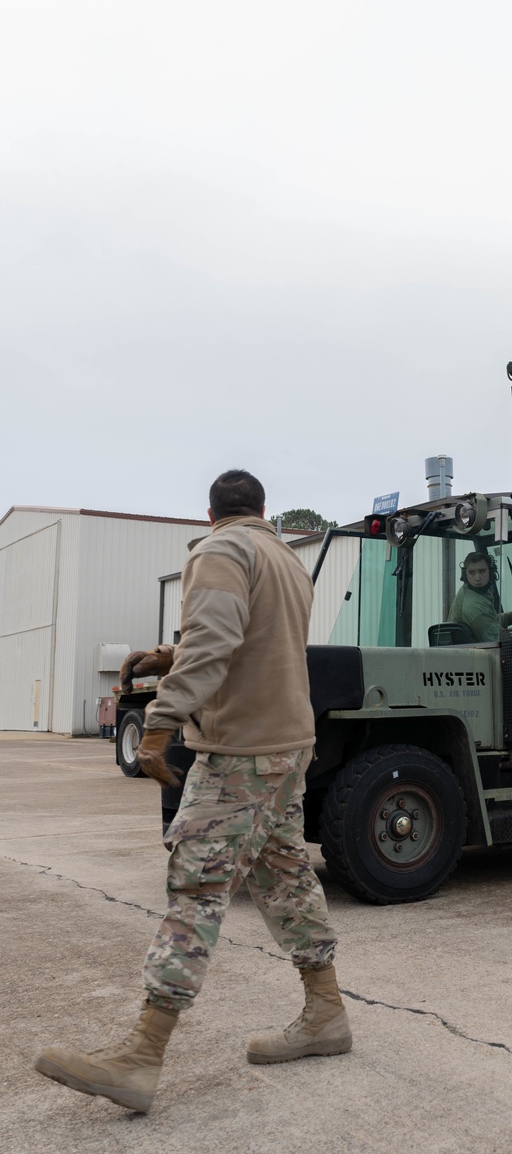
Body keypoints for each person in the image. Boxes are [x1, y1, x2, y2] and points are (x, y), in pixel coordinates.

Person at [34, 470, 350, 1114]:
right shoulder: (286, 559)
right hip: (289, 746)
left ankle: (141, 1056)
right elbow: (250, 644)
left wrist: (160, 721)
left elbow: (215, 639)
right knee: (285, 874)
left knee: (198, 887)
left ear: (209, 516)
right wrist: (167, 655)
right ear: (262, 510)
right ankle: (327, 1013)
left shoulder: (220, 551)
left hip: (240, 754)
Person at [448, 550, 502, 640]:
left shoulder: (470, 592)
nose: (477, 578)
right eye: (472, 572)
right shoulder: (474, 605)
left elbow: (488, 618)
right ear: (465, 575)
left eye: (482, 571)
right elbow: (497, 640)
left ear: (490, 571)